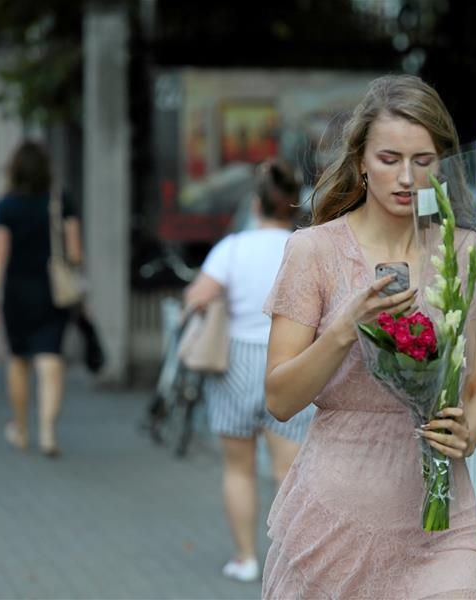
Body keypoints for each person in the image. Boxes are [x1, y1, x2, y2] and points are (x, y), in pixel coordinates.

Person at [261, 74, 476, 599]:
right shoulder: (314, 252)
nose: (407, 178)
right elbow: (279, 398)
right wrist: (345, 328)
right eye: (389, 159)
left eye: (423, 160)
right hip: (335, 516)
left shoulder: (468, 254)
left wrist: (469, 432)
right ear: (362, 161)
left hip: (441, 518)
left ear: (442, 164)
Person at [182, 159, 315, 583]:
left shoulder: (233, 248)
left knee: (238, 468)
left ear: (257, 204)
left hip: (235, 362)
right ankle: (293, 561)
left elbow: (198, 296)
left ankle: (245, 558)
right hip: (291, 360)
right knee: (287, 473)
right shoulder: (305, 247)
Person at [0, 141, 82, 458]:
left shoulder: (5, 206)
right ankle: (48, 431)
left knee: (18, 359)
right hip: (53, 291)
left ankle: (21, 428)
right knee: (50, 358)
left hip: (16, 292)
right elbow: (75, 252)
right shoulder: (60, 200)